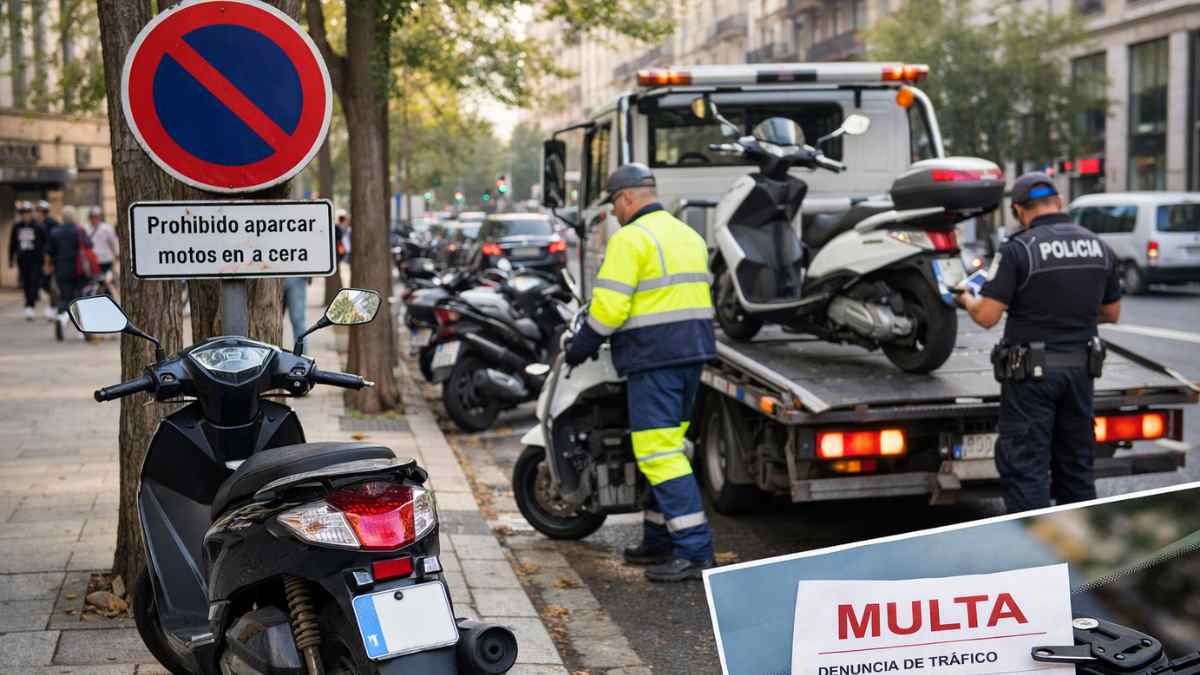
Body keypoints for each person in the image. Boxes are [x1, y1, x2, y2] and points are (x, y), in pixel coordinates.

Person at [564, 163, 718, 582]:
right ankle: (658, 539)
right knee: (668, 447)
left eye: (614, 202)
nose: (613, 212)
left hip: (654, 360)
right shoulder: (687, 234)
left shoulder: (630, 239)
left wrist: (581, 346)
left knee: (658, 453)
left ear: (628, 197)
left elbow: (610, 307)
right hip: (691, 355)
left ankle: (696, 551)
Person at [955, 172, 1121, 513]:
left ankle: (1037, 555)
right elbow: (1111, 312)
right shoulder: (1099, 246)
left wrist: (966, 299)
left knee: (1026, 469)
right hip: (1080, 374)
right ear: (1058, 202)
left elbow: (987, 316)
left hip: (1032, 378)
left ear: (1018, 210)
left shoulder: (1018, 250)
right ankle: (1079, 553)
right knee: (1076, 467)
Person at [44, 205, 92, 341]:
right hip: (78, 270)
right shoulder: (79, 231)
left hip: (61, 269)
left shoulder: (54, 232)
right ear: (74, 217)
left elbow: (48, 253)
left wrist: (48, 267)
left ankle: (62, 317)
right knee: (80, 298)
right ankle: (82, 329)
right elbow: (89, 246)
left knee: (65, 296)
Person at [7, 201, 45, 320]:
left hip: (36, 259)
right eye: (23, 213)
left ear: (31, 213)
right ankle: (29, 305)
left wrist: (45, 258)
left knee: (34, 282)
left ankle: (30, 305)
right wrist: (11, 259)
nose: (25, 215)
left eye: (27, 212)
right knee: (26, 282)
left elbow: (44, 242)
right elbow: (12, 243)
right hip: (23, 259)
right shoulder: (17, 226)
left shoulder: (38, 226)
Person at [36, 200, 61, 317]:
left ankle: (53, 307)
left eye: (39, 211)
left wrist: (48, 262)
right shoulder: (49, 223)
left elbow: (49, 245)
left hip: (49, 259)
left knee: (49, 285)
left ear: (42, 212)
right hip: (48, 259)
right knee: (48, 285)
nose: (37, 213)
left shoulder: (47, 224)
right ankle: (52, 307)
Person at [86, 207, 119, 279]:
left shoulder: (106, 228)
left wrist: (116, 254)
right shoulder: (87, 229)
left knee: (106, 280)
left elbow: (113, 242)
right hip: (94, 260)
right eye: (92, 217)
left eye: (95, 217)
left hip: (105, 259)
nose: (93, 219)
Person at [283, 276, 309, 351]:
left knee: (298, 321)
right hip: (269, 277)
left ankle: (302, 359)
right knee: (270, 322)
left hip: (296, 277)